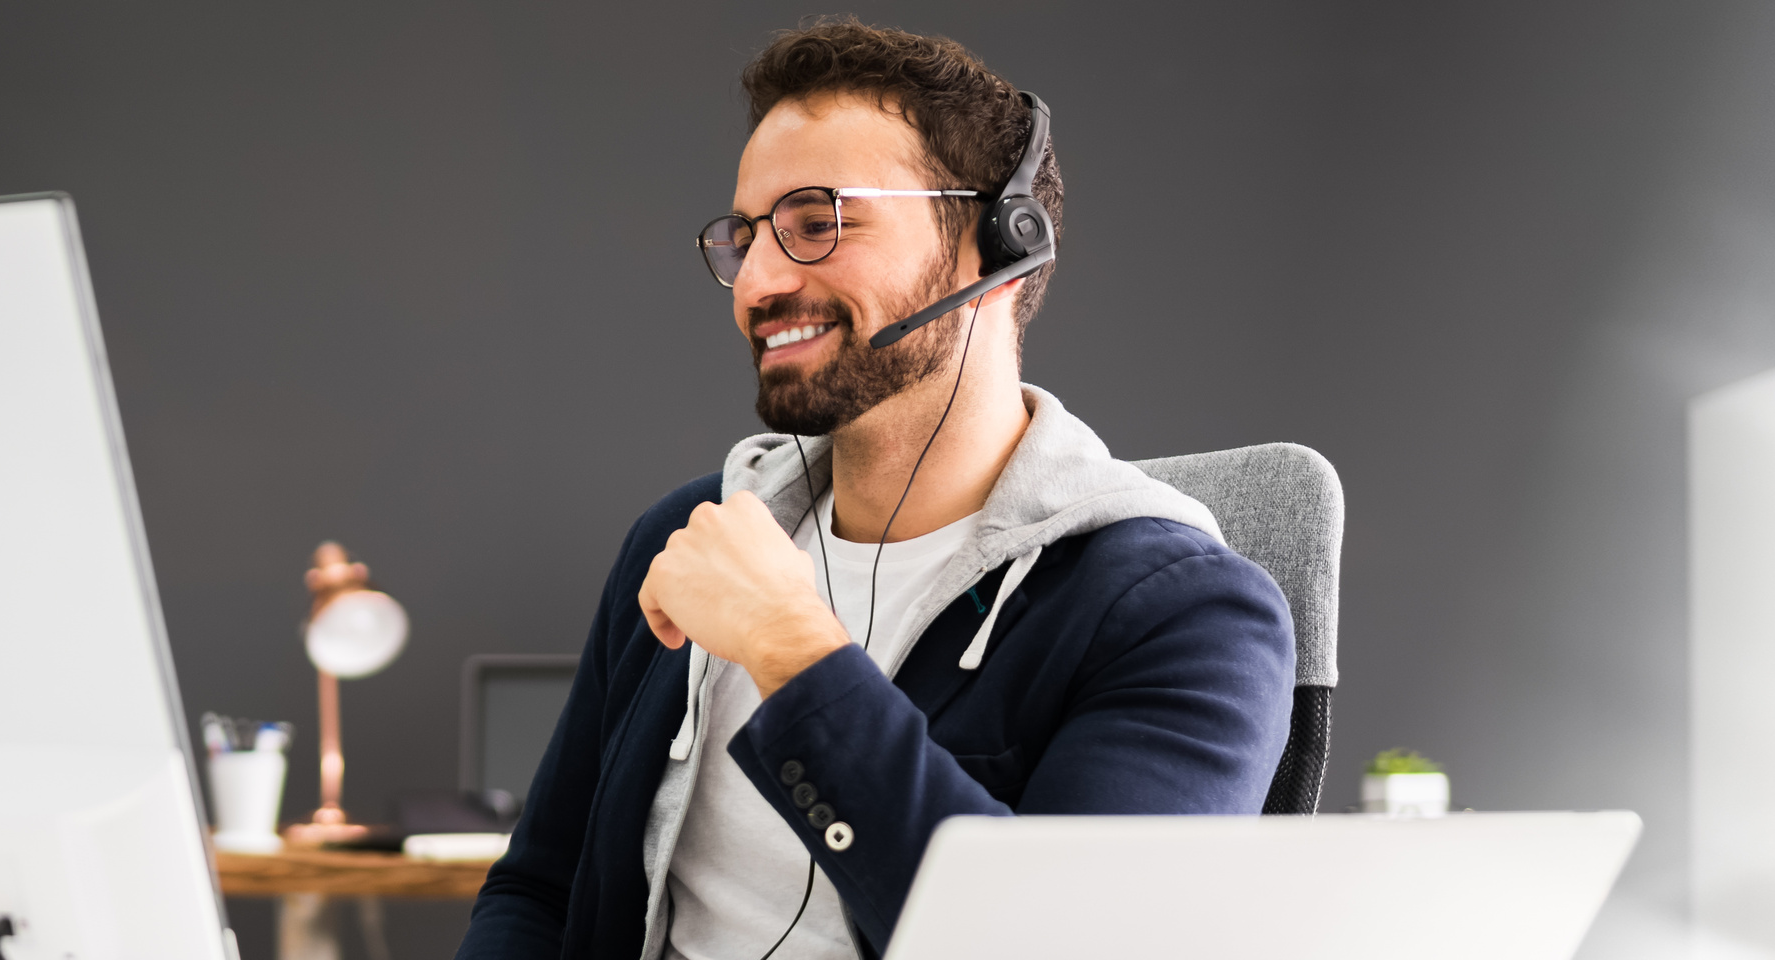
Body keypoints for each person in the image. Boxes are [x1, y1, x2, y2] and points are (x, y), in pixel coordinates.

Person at [456, 18, 1294, 960]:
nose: (757, 282)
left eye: (818, 223)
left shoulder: (1184, 617)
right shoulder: (693, 540)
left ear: (995, 241)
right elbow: (539, 888)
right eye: (746, 236)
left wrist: (791, 649)